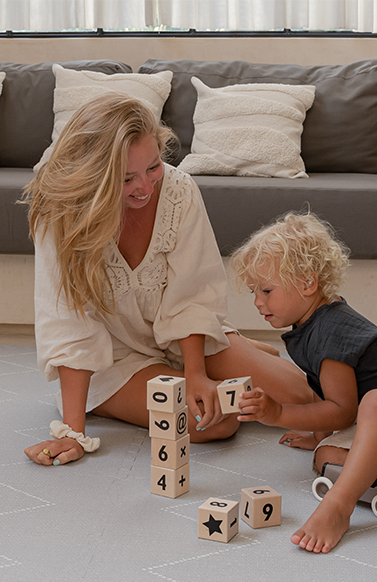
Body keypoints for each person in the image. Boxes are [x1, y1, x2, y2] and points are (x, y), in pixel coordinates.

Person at [22, 94, 313, 466]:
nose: (145, 187)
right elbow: (68, 323)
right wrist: (73, 432)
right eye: (127, 178)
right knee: (213, 424)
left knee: (299, 395)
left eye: (153, 167)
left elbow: (191, 292)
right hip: (113, 360)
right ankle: (233, 350)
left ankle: (225, 348)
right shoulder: (58, 212)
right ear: (95, 175)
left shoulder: (179, 191)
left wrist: (195, 374)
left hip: (180, 335)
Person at [230, 211, 377, 553]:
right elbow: (328, 393)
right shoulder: (309, 325)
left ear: (307, 284)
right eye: (254, 291)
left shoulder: (331, 329)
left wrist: (278, 413)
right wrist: (318, 435)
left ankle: (337, 508)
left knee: (375, 401)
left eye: (267, 290)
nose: (258, 301)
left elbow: (343, 411)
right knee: (325, 457)